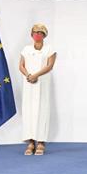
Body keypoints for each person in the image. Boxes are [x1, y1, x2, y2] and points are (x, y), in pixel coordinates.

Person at [19, 24, 56, 155]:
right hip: (28, 82)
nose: (37, 35)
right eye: (35, 32)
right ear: (31, 34)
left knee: (42, 110)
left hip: (43, 82)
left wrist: (36, 75)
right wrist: (29, 75)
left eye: (40, 32)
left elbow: (50, 66)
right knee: (28, 110)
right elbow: (21, 66)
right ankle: (30, 142)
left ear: (44, 35)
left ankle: (41, 142)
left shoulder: (49, 49)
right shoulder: (26, 49)